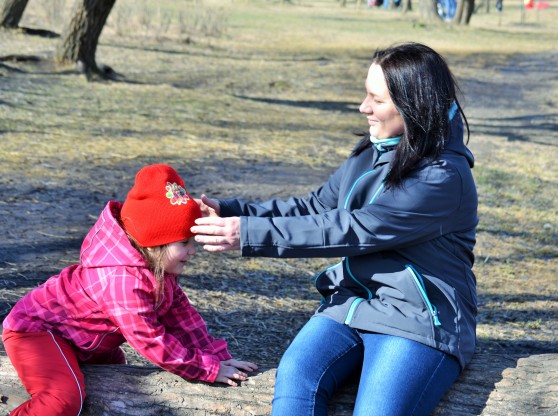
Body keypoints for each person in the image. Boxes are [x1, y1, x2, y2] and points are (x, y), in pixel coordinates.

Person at [192, 42, 479, 416]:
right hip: (350, 304)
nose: (363, 107)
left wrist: (247, 234)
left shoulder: (443, 179)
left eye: (376, 99)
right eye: (366, 94)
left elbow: (352, 228)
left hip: (419, 320)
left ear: (413, 106)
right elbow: (317, 206)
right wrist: (231, 210)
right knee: (295, 378)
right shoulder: (371, 151)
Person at [2, 164, 257, 416]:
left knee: (117, 386)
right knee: (63, 400)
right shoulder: (123, 281)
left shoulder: (159, 271)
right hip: (38, 333)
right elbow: (150, 340)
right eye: (184, 242)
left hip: (84, 340)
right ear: (155, 242)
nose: (193, 250)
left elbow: (183, 320)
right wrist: (205, 368)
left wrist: (216, 356)